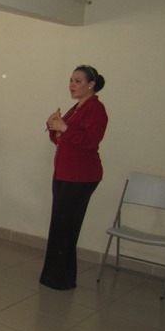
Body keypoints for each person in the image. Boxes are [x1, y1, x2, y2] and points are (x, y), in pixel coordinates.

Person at [40, 65, 108, 290]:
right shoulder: (76, 108)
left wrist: (65, 128)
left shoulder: (96, 109)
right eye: (71, 80)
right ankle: (54, 276)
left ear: (91, 85)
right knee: (59, 225)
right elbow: (60, 139)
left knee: (66, 227)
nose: (72, 85)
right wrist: (53, 125)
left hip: (81, 177)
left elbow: (91, 141)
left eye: (78, 81)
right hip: (64, 174)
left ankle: (62, 279)